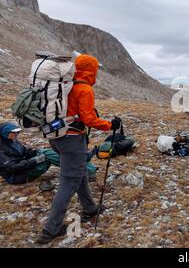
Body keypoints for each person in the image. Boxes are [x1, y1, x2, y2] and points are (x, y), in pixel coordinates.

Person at [37, 53, 122, 244]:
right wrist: (110, 125)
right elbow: (88, 119)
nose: (96, 73)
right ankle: (51, 229)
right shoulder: (83, 89)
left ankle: (90, 208)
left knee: (80, 171)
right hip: (73, 140)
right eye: (95, 70)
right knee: (69, 181)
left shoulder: (65, 85)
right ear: (90, 70)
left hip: (57, 137)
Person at [0, 123, 97, 185]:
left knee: (44, 152)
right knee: (47, 155)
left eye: (16, 132)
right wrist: (34, 161)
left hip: (26, 166)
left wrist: (36, 152)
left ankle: (84, 166)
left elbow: (26, 152)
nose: (16, 134)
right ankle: (85, 166)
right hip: (18, 176)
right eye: (13, 132)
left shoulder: (12, 141)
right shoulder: (1, 149)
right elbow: (11, 167)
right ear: (5, 133)